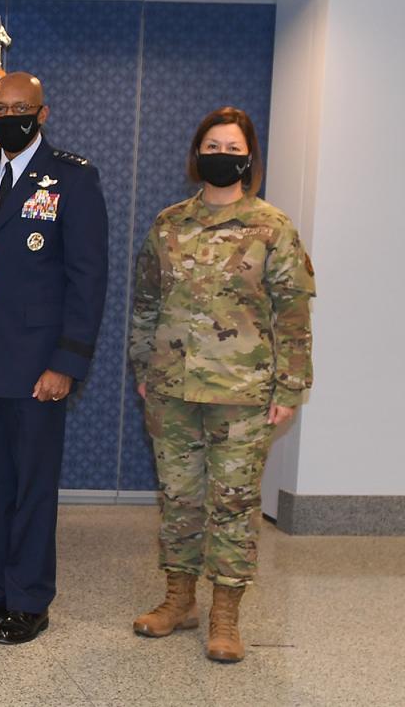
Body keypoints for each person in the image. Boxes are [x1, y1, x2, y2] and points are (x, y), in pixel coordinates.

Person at [128, 107, 314, 663]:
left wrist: (289, 388)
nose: (221, 154)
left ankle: (226, 616)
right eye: (212, 144)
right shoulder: (168, 224)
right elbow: (145, 303)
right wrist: (143, 369)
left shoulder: (273, 228)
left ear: (248, 158)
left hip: (244, 393)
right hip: (172, 389)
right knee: (180, 500)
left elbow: (293, 315)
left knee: (232, 505)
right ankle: (178, 600)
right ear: (196, 154)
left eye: (232, 147)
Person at [0, 71, 108, 645]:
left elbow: (88, 279)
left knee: (33, 486)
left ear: (42, 112)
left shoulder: (72, 178)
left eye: (20, 107)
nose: (8, 115)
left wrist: (67, 361)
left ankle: (30, 600)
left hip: (40, 365)